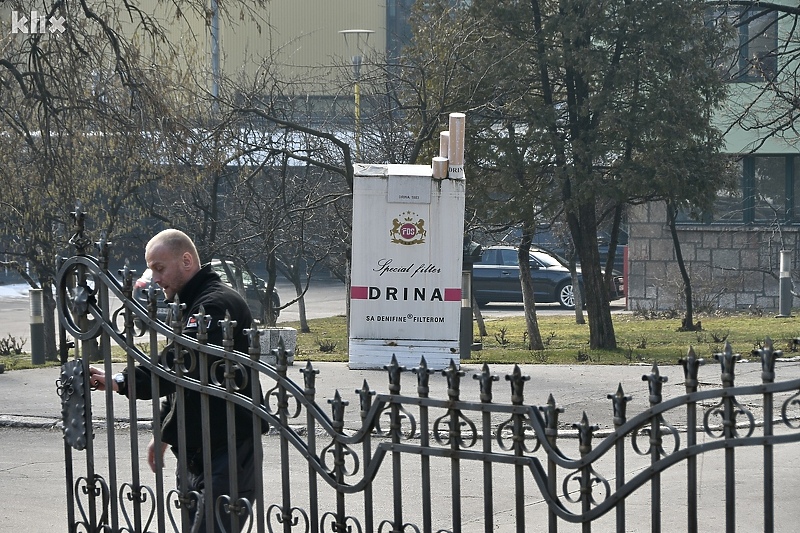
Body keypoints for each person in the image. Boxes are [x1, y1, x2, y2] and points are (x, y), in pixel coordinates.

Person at [90, 229, 257, 533]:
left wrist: (122, 381)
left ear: (186, 260)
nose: (154, 278)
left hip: (226, 450)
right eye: (151, 269)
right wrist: (165, 430)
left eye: (159, 268)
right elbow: (186, 383)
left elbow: (180, 364)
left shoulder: (216, 304)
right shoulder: (190, 304)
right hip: (194, 454)